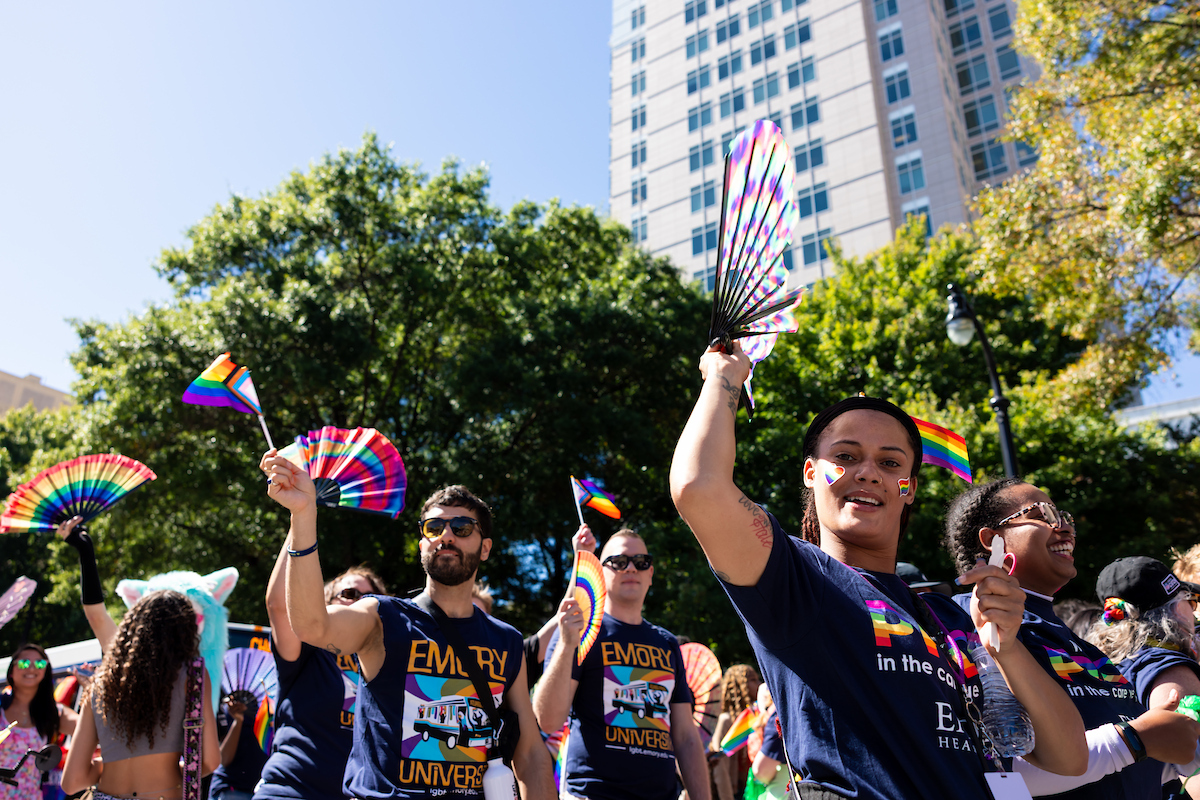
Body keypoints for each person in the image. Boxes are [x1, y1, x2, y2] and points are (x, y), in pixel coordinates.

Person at [670, 345, 1087, 799]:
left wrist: (1005, 648)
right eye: (845, 457)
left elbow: (1069, 757)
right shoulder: (793, 579)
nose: (868, 473)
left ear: (908, 489)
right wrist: (723, 376)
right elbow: (699, 488)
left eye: (890, 463)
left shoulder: (955, 616)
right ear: (811, 472)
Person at [261, 449, 554, 799]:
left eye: (461, 527)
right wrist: (303, 515)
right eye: (434, 527)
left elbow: (531, 755)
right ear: (422, 543)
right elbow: (312, 626)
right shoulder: (382, 617)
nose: (447, 536)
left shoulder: (505, 640)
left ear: (485, 547)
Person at [944, 478, 1200, 798]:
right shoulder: (964, 625)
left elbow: (1118, 763)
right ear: (993, 539)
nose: (1064, 527)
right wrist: (1136, 741)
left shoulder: (1080, 644)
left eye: (1064, 517)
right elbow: (995, 768)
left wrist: (1171, 751)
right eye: (1043, 515)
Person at [535, 528, 710, 800]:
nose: (631, 568)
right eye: (618, 562)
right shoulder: (577, 631)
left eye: (641, 562)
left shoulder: (667, 643)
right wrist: (568, 643)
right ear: (600, 573)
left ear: (650, 574)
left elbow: (686, 736)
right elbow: (547, 720)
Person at [254, 549, 387, 800]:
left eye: (370, 597)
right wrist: (300, 519)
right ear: (325, 604)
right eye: (347, 594)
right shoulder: (308, 649)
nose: (358, 601)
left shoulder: (391, 662)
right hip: (291, 792)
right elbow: (279, 606)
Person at [62, 590, 221, 800]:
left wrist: (108, 764)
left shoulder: (100, 682)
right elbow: (209, 761)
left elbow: (72, 781)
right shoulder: (193, 675)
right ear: (186, 632)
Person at [0, 645, 77, 800]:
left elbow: (92, 730)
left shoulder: (53, 713)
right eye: (24, 663)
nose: (32, 668)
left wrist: (92, 691)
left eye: (40, 663)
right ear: (12, 670)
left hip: (30, 795)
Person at [709, 665, 761, 800]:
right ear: (740, 686)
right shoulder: (726, 720)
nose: (759, 684)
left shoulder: (757, 717)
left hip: (753, 790)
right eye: (753, 680)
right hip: (734, 793)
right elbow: (719, 765)